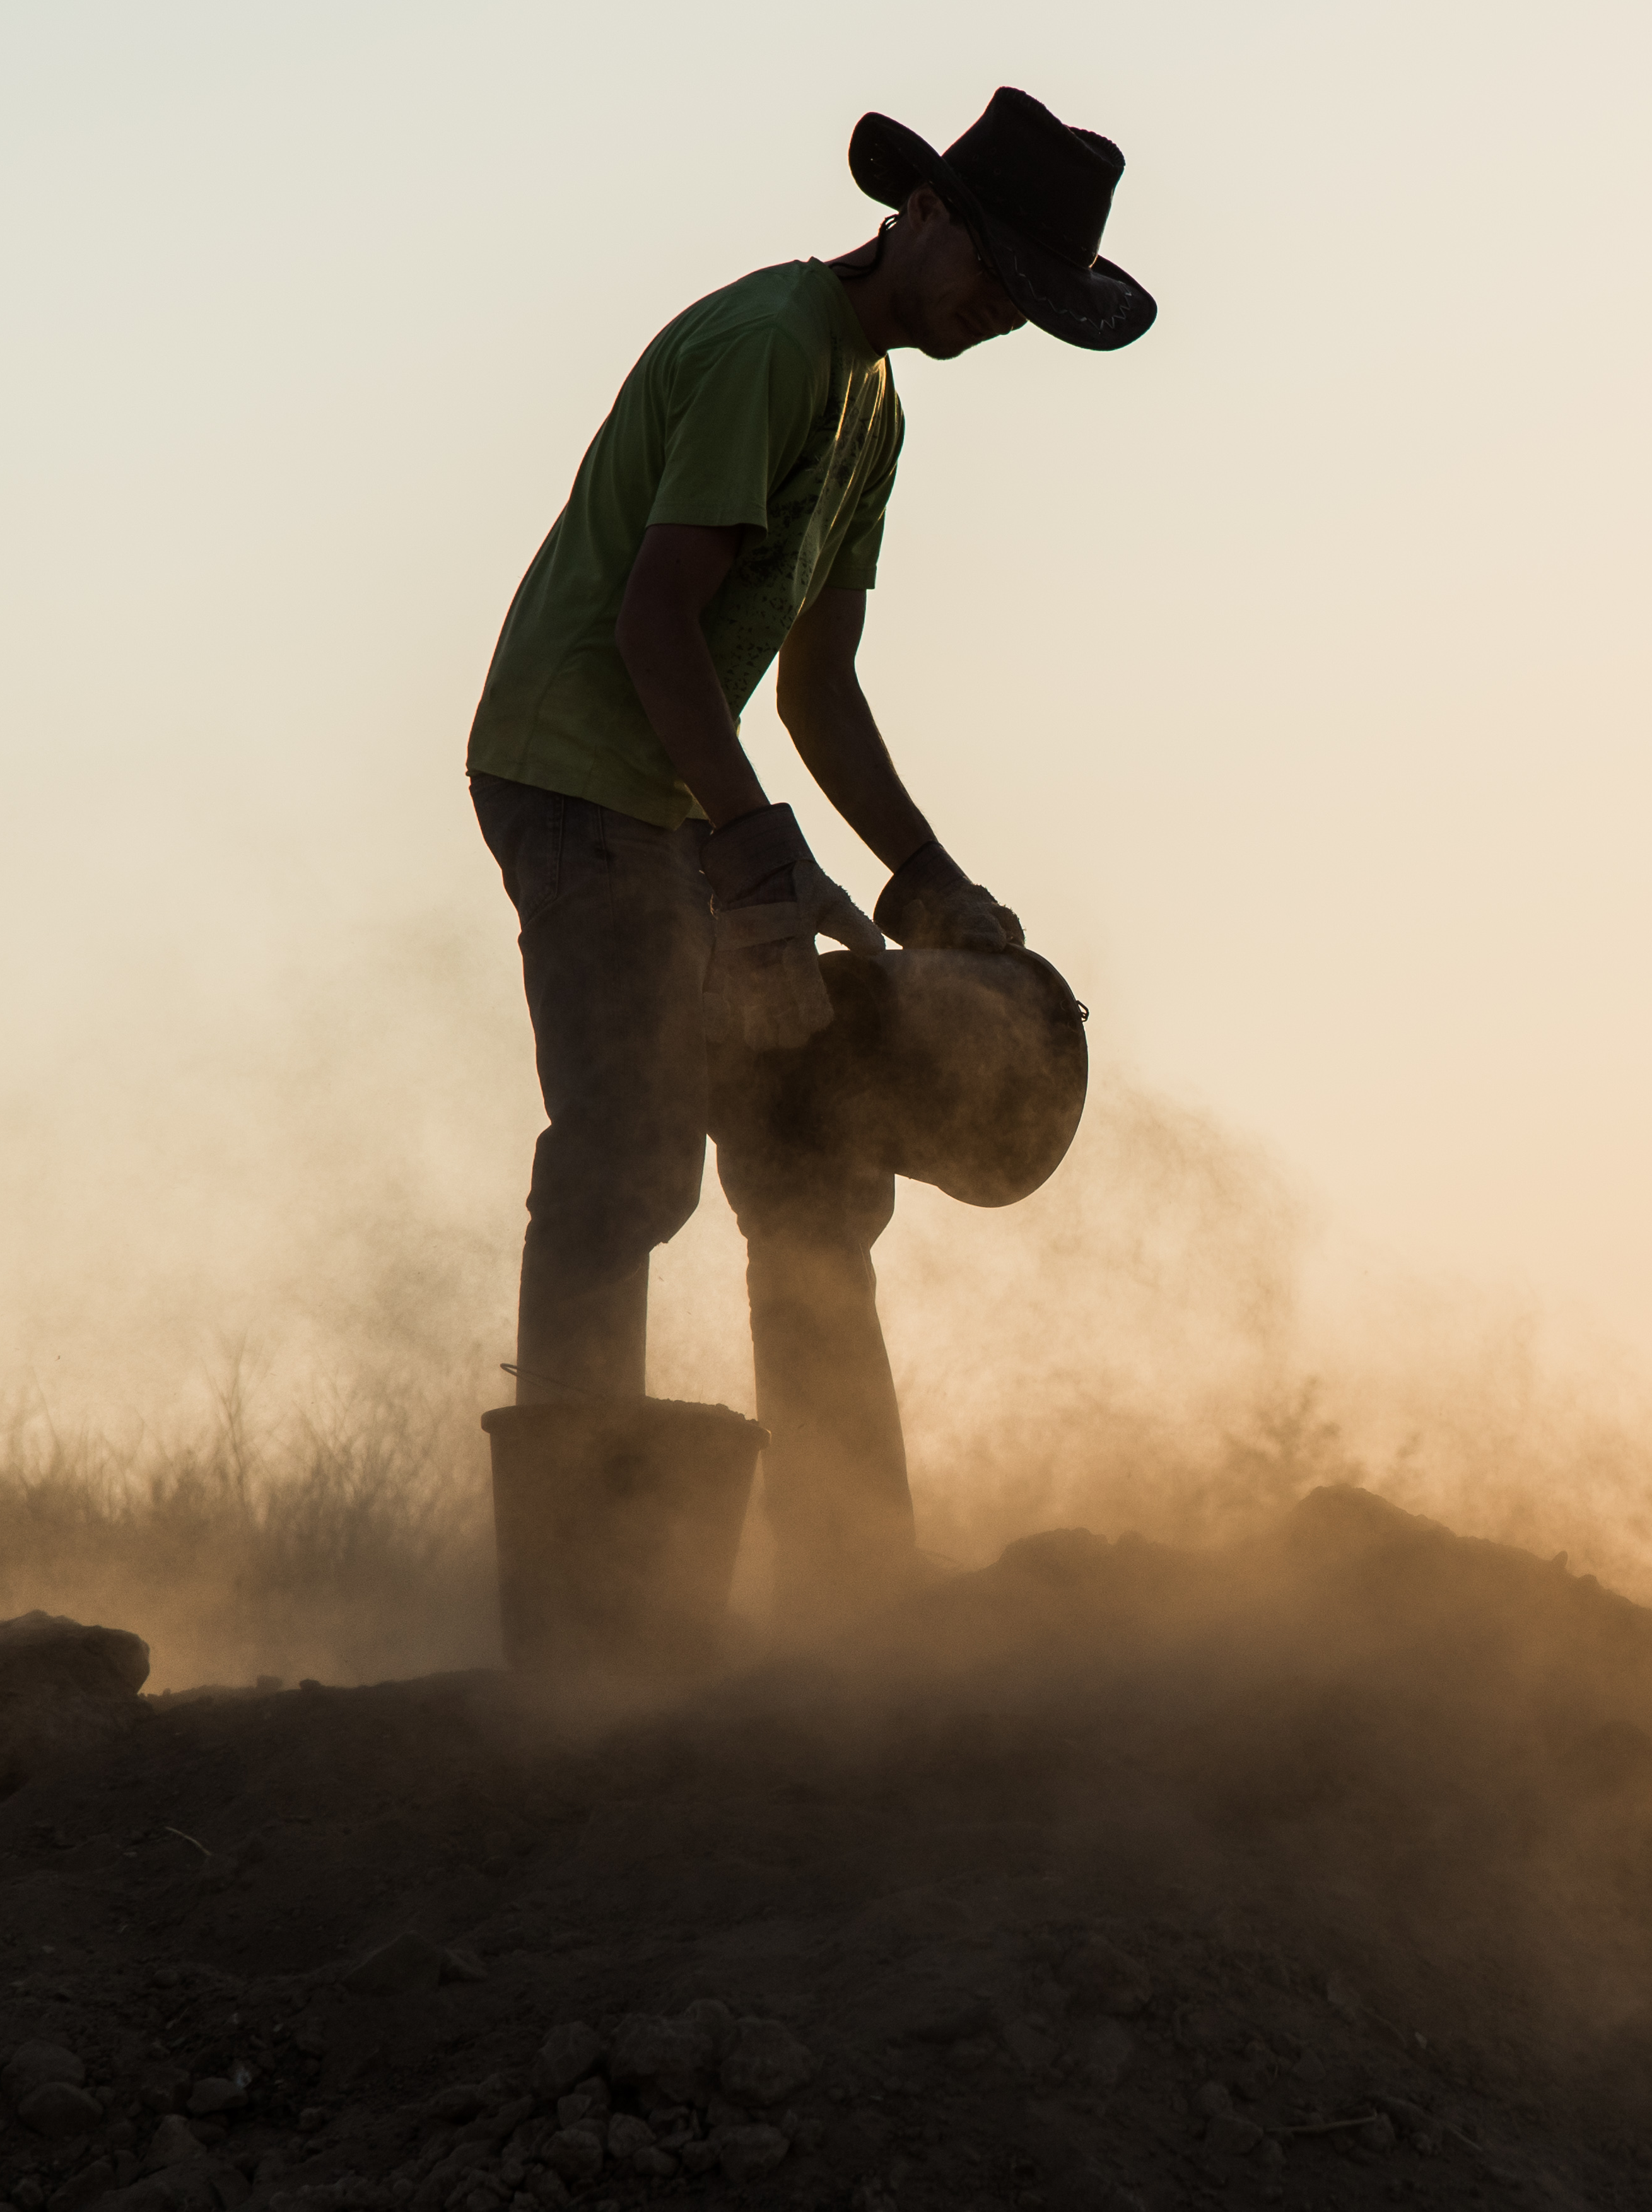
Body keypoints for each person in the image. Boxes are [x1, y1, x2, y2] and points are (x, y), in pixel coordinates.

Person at [462, 88, 1152, 1619]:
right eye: (992, 273)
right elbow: (653, 628)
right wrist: (755, 867)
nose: (993, 315)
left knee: (815, 1150)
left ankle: (855, 1590)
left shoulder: (875, 413)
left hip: (691, 795)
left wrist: (921, 880)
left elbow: (815, 684)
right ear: (921, 216)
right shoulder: (776, 351)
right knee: (629, 1152)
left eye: (1026, 306)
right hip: (581, 776)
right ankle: (582, 1601)